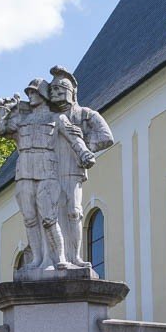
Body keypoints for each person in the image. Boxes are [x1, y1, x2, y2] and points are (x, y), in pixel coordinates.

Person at [0, 79, 93, 272]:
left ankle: (60, 258)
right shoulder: (21, 119)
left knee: (49, 217)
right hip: (24, 171)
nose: (30, 95)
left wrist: (84, 153)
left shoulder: (57, 118)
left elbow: (74, 138)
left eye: (34, 92)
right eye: (29, 92)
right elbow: (0, 129)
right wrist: (2, 109)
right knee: (30, 218)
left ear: (43, 95)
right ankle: (37, 260)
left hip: (47, 170)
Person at [48, 66, 114, 268]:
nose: (55, 92)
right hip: (50, 171)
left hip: (73, 171)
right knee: (52, 215)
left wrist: (85, 145)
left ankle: (74, 257)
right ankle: (57, 258)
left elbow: (106, 137)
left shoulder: (86, 114)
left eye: (60, 88)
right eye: (52, 90)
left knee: (74, 212)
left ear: (72, 92)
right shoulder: (48, 118)